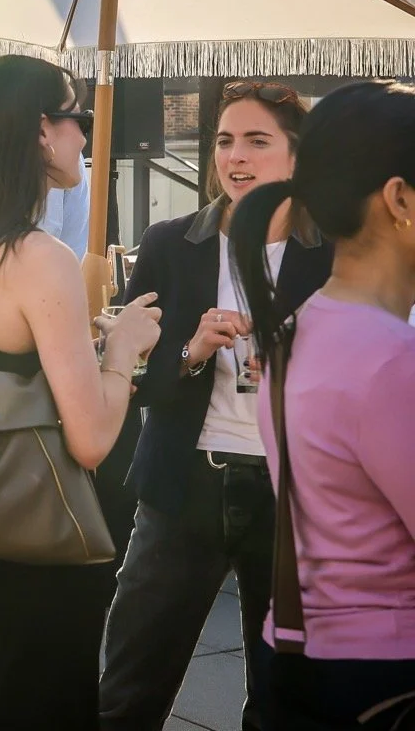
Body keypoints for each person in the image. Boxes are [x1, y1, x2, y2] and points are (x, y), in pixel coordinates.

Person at [0, 55, 160, 730]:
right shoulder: (39, 255)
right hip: (41, 541)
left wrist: (80, 341)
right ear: (41, 131)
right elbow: (92, 436)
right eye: (75, 115)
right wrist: (126, 347)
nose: (84, 132)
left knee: (0, 705)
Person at [98, 82, 333, 731]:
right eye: (226, 140)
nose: (237, 156)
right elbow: (131, 375)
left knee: (285, 700)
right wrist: (192, 350)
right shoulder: (172, 243)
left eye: (258, 141)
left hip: (295, 499)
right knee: (129, 687)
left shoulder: (337, 254)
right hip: (183, 487)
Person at [231, 80, 415, 729]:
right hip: (385, 673)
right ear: (399, 200)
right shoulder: (391, 358)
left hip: (301, 649)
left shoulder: (303, 326)